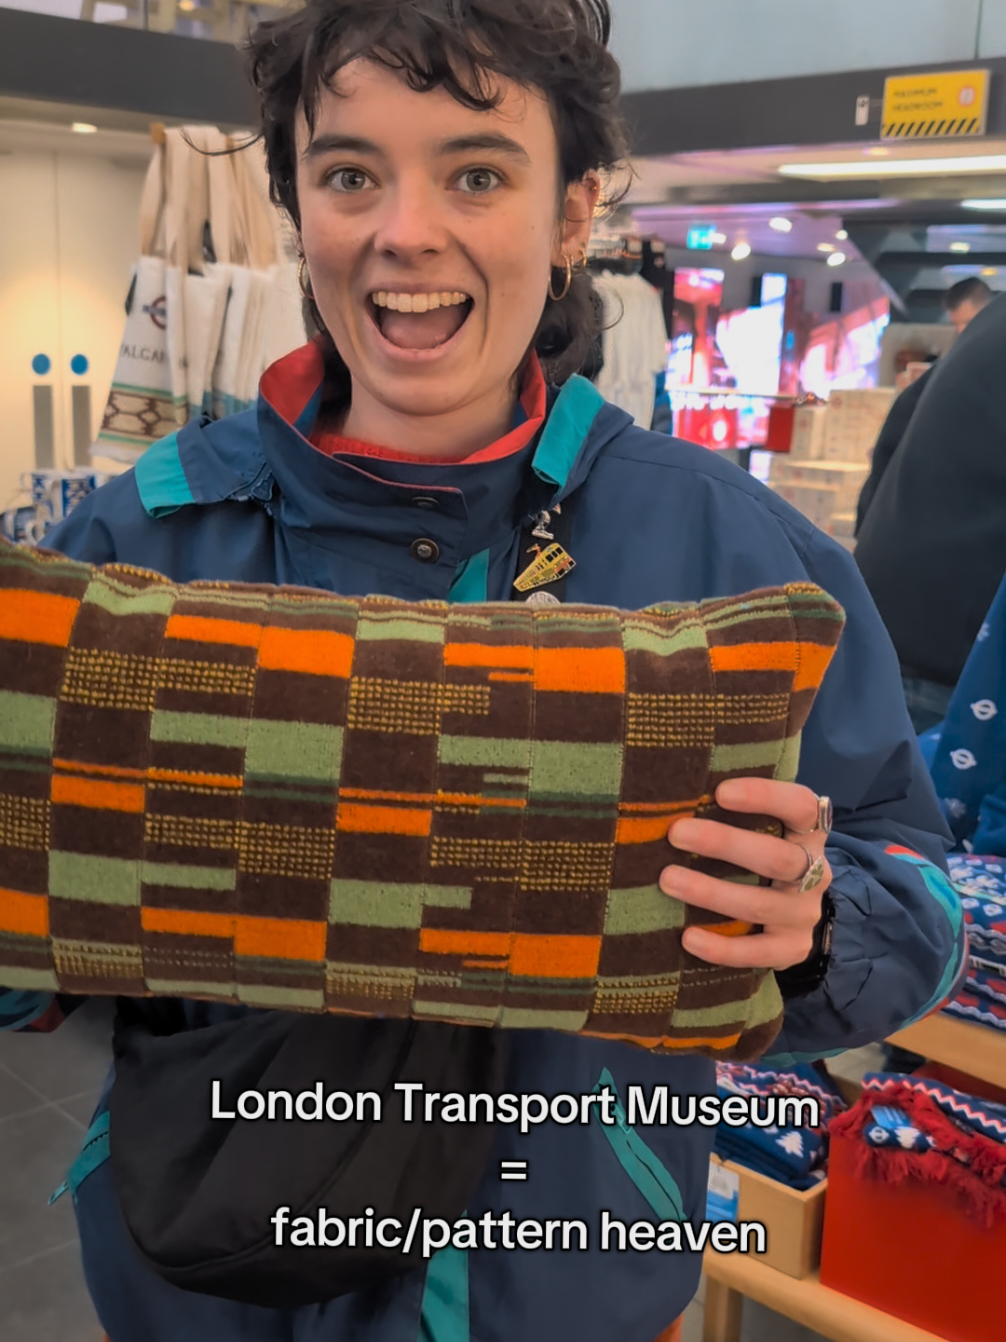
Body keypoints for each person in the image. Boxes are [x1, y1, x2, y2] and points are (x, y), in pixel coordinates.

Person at [2, 4, 962, 1340]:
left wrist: (807, 930)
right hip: (208, 1268)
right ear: (297, 209)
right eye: (348, 174)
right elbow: (31, 936)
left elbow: (909, 890)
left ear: (570, 213)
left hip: (552, 1276)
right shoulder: (145, 540)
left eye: (474, 172)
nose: (404, 231)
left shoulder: (727, 551)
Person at [856, 289, 1006, 734]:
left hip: (882, 627)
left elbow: (891, 440)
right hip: (961, 664)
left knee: (874, 798)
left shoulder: (991, 321)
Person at [855, 278, 993, 535]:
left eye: (968, 322)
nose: (962, 331)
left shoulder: (981, 371)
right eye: (956, 324)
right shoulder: (950, 372)